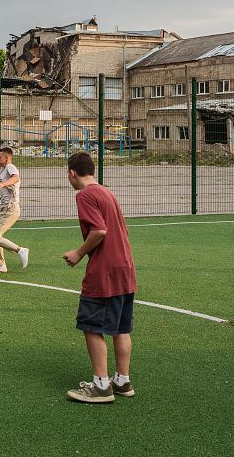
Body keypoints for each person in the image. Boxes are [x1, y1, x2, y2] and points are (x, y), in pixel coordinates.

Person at [62, 152, 137, 404]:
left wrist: (79, 252)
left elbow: (100, 230)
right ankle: (122, 381)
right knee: (121, 328)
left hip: (104, 270)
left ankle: (101, 386)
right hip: (125, 268)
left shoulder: (85, 195)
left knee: (91, 326)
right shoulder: (107, 192)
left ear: (72, 173)